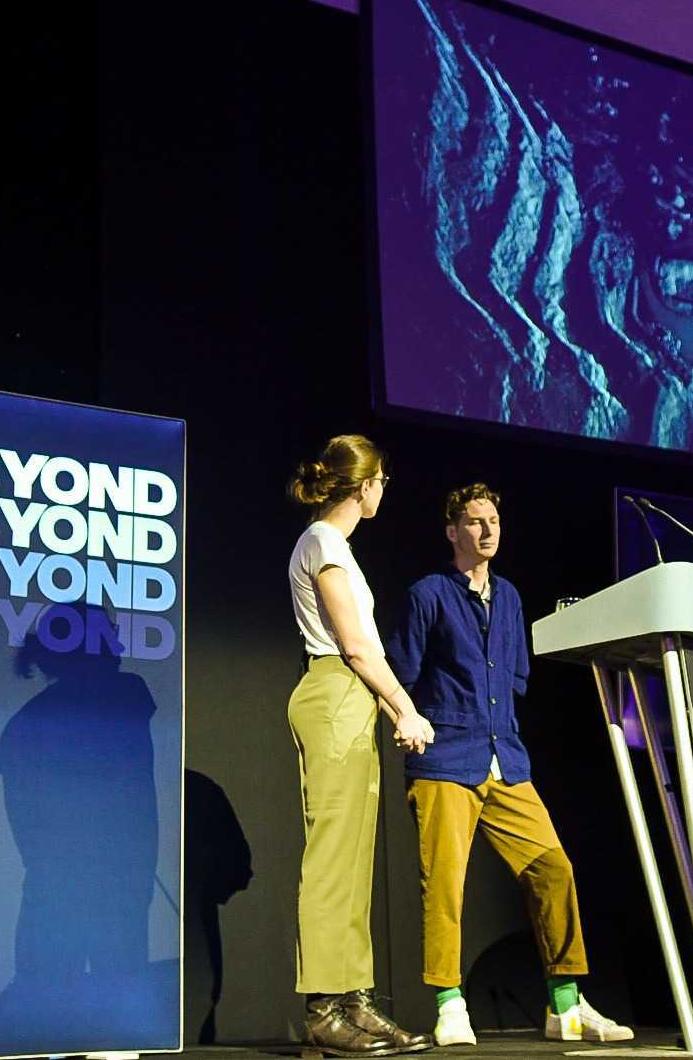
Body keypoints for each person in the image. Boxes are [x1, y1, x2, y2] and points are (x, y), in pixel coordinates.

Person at [385, 483, 635, 1046]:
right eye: (474, 522)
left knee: (554, 869)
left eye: (493, 520)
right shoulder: (429, 593)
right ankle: (450, 1004)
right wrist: (406, 719)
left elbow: (514, 678)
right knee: (445, 886)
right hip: (446, 757)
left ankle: (565, 1006)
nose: (487, 531)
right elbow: (398, 670)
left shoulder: (513, 598)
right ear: (453, 532)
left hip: (505, 758)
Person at [285, 435, 437, 1057]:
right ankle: (323, 1006)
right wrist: (405, 706)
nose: (383, 492)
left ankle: (353, 998)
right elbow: (353, 645)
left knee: (354, 861)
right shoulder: (322, 542)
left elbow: (362, 655)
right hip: (333, 692)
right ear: (365, 485)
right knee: (331, 857)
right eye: (382, 482)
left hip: (351, 698)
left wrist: (386, 705)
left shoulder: (335, 545)